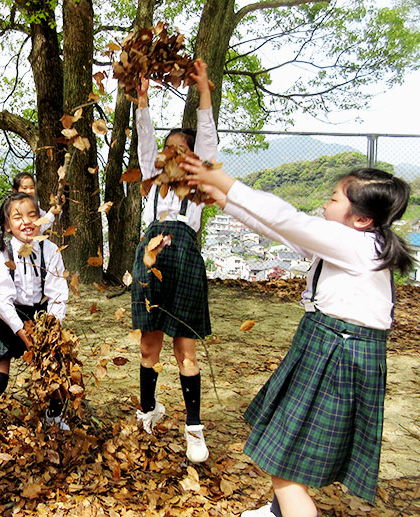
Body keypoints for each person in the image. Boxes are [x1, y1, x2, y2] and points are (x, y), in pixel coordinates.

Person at [181, 160, 413, 517]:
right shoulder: (362, 240)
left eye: (334, 200)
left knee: (284, 465)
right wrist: (224, 200)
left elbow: (289, 219)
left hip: (336, 352)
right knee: (291, 445)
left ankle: (289, 509)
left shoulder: (353, 244)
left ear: (361, 218)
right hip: (333, 344)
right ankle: (278, 511)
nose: (325, 204)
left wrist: (225, 182)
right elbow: (284, 232)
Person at [131, 58, 217, 463]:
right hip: (150, 256)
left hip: (184, 259)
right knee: (149, 346)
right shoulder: (153, 181)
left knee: (185, 351)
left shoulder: (197, 184)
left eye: (181, 151)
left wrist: (203, 92)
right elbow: (145, 137)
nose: (171, 155)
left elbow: (209, 139)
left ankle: (194, 431)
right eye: (168, 150)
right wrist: (143, 99)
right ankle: (148, 410)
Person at [0, 192, 70, 428]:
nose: (26, 222)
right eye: (18, 217)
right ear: (7, 226)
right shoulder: (2, 254)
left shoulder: (50, 250)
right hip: (5, 317)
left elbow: (58, 293)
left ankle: (54, 417)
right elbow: (2, 299)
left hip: (39, 316)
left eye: (33, 215)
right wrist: (21, 332)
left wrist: (51, 328)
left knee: (54, 370)